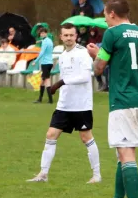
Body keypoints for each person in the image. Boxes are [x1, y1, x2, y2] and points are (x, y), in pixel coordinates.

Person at [86, 0, 138, 198]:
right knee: (123, 153)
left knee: (126, 155)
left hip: (124, 100)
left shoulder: (113, 33)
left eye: (105, 15)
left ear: (113, 14)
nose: (105, 19)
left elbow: (99, 68)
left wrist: (96, 54)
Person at [26, 23, 101, 184]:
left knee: (86, 137)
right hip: (64, 105)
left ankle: (97, 175)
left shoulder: (83, 53)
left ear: (76, 36)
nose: (68, 38)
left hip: (81, 104)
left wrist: (60, 83)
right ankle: (43, 174)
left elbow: (85, 77)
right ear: (61, 37)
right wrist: (61, 87)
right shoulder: (62, 55)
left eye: (71, 35)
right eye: (65, 35)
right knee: (50, 135)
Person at [33, 27, 55, 104]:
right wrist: (40, 41)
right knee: (42, 81)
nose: (41, 34)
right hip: (50, 63)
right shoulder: (49, 40)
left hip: (45, 63)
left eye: (43, 33)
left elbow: (42, 52)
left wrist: (35, 61)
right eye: (41, 33)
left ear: (46, 33)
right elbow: (46, 43)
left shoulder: (45, 42)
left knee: (46, 81)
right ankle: (40, 99)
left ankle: (50, 100)